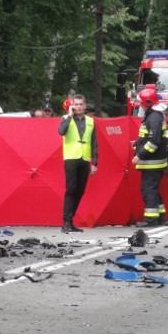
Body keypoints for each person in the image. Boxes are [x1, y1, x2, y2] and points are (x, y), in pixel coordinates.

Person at [58, 94, 98, 234]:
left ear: (85, 106)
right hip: (71, 158)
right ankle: (66, 222)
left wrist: (95, 162)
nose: (79, 107)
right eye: (76, 104)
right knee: (71, 189)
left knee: (80, 191)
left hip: (85, 159)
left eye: (81, 104)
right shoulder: (65, 119)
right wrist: (69, 115)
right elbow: (61, 132)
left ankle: (71, 220)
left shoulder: (91, 121)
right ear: (72, 105)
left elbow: (94, 142)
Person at [132, 88, 167, 227]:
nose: (140, 105)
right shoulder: (154, 116)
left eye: (141, 102)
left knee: (148, 189)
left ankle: (151, 219)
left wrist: (139, 155)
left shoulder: (153, 118)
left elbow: (154, 141)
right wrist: (137, 144)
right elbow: (147, 137)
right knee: (153, 189)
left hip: (153, 162)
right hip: (154, 162)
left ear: (147, 103)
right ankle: (161, 216)